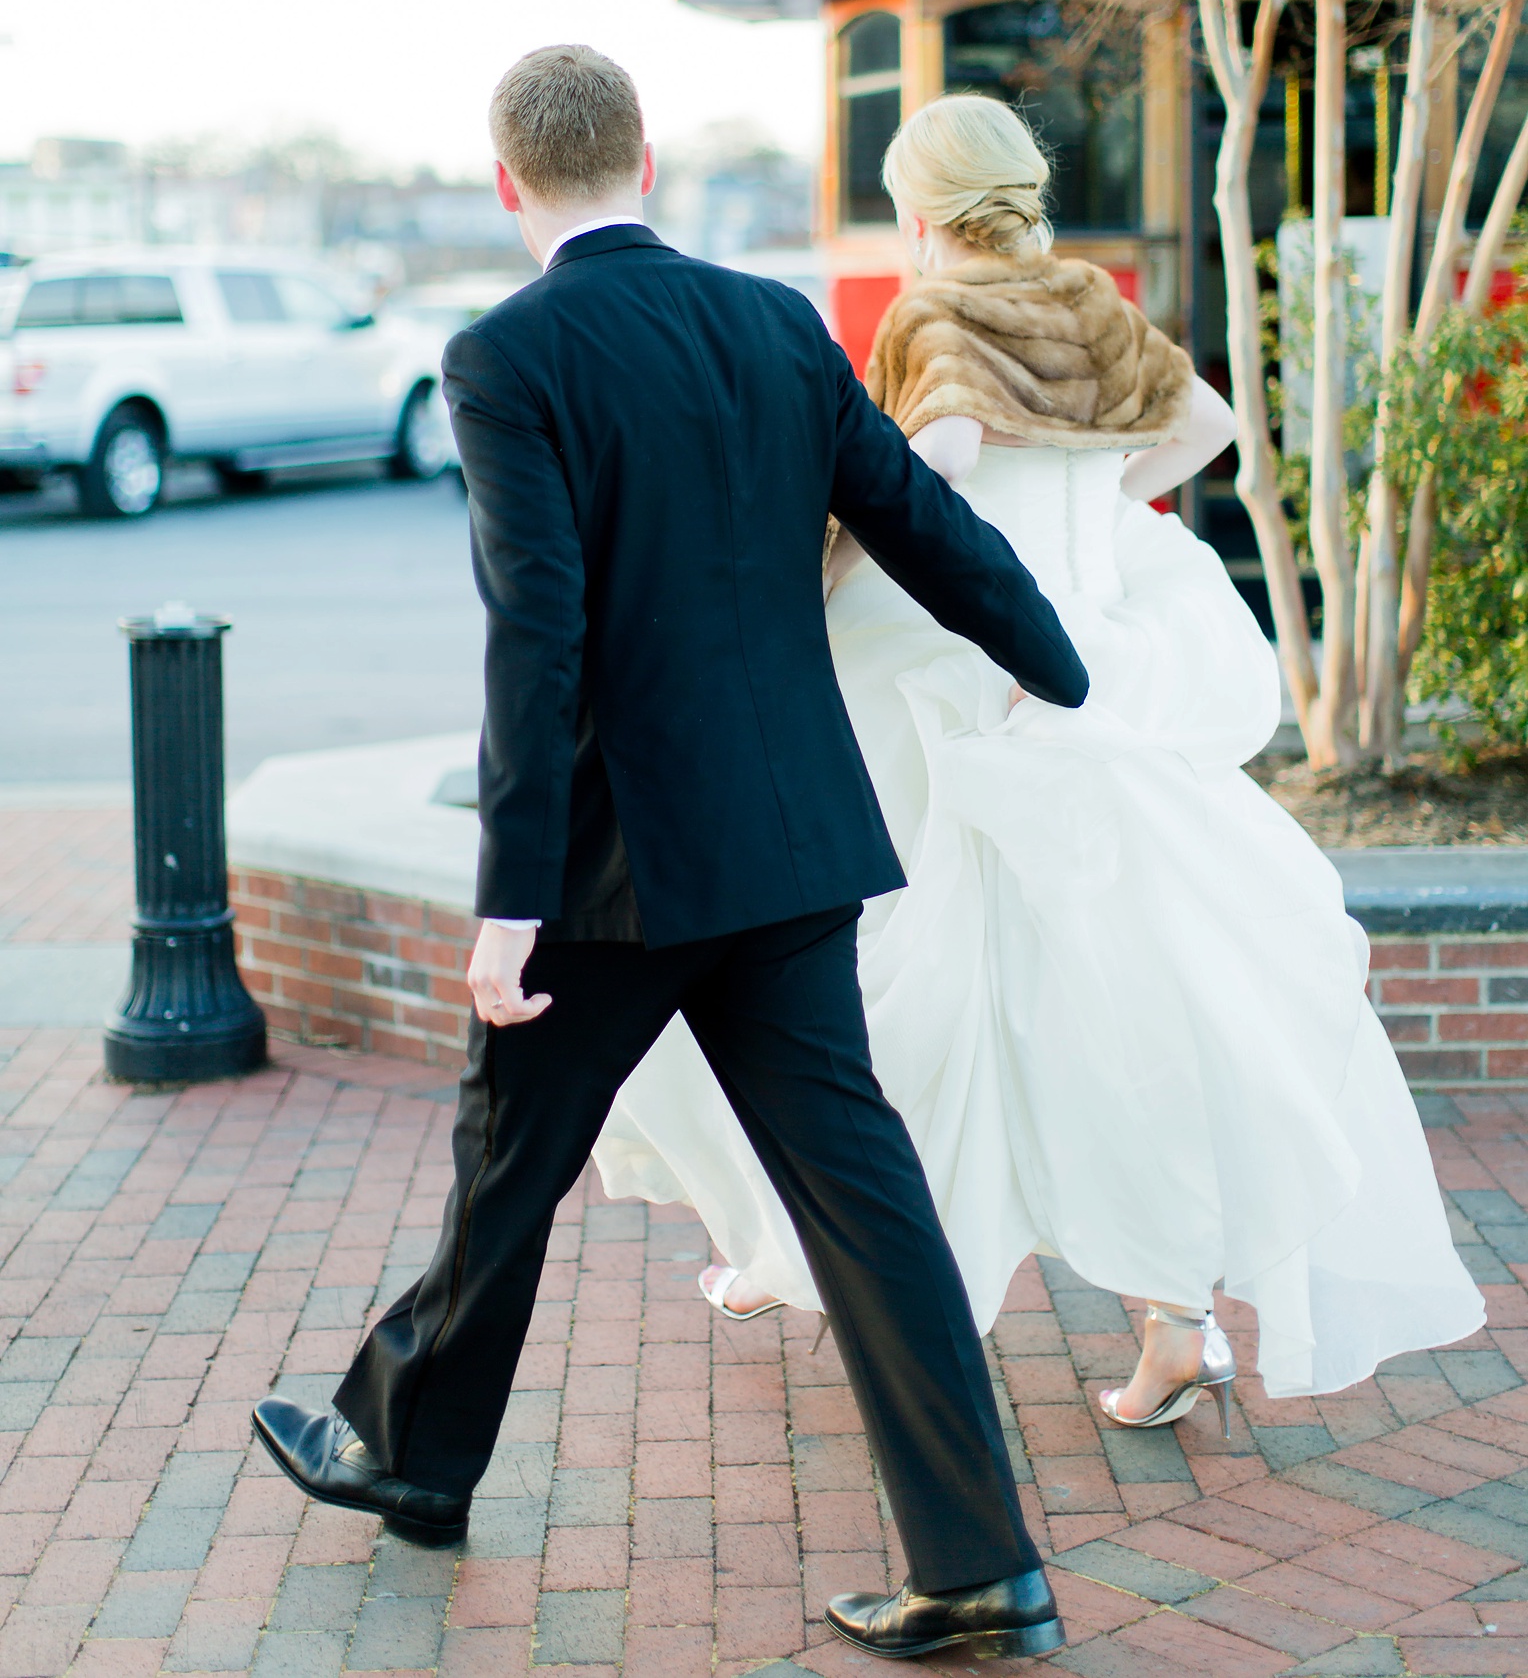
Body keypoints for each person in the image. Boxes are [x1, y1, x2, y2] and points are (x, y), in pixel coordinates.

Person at [251, 47, 1094, 1665]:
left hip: (617, 877)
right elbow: (918, 516)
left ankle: (408, 1457)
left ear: (510, 185)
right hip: (789, 853)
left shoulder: (506, 353)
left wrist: (509, 901)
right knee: (867, 1202)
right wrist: (1054, 659)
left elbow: (537, 636)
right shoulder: (777, 322)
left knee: (510, 1167)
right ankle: (981, 1564)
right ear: (646, 156)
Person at [595, 90, 1484, 1433]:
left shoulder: (937, 313)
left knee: (878, 993)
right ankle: (1172, 1321)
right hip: (1091, 677)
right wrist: (1092, 518)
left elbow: (931, 471)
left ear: (926, 207)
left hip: (968, 683)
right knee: (1117, 1011)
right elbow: (1206, 430)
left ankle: (810, 1246)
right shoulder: (1087, 301)